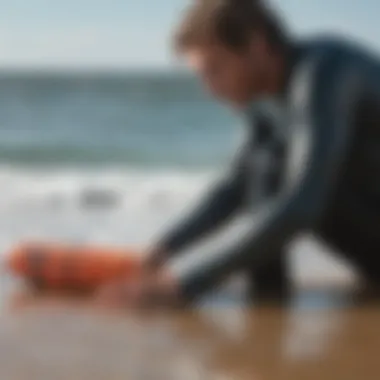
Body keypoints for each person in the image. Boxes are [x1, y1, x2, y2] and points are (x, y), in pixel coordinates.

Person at [97, 0, 380, 308]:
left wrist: (183, 285)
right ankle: (268, 303)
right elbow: (233, 188)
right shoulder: (265, 99)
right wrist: (164, 249)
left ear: (256, 46)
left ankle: (267, 303)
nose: (209, 89)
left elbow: (304, 204)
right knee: (262, 168)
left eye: (215, 70)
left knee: (281, 171)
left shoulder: (325, 74)